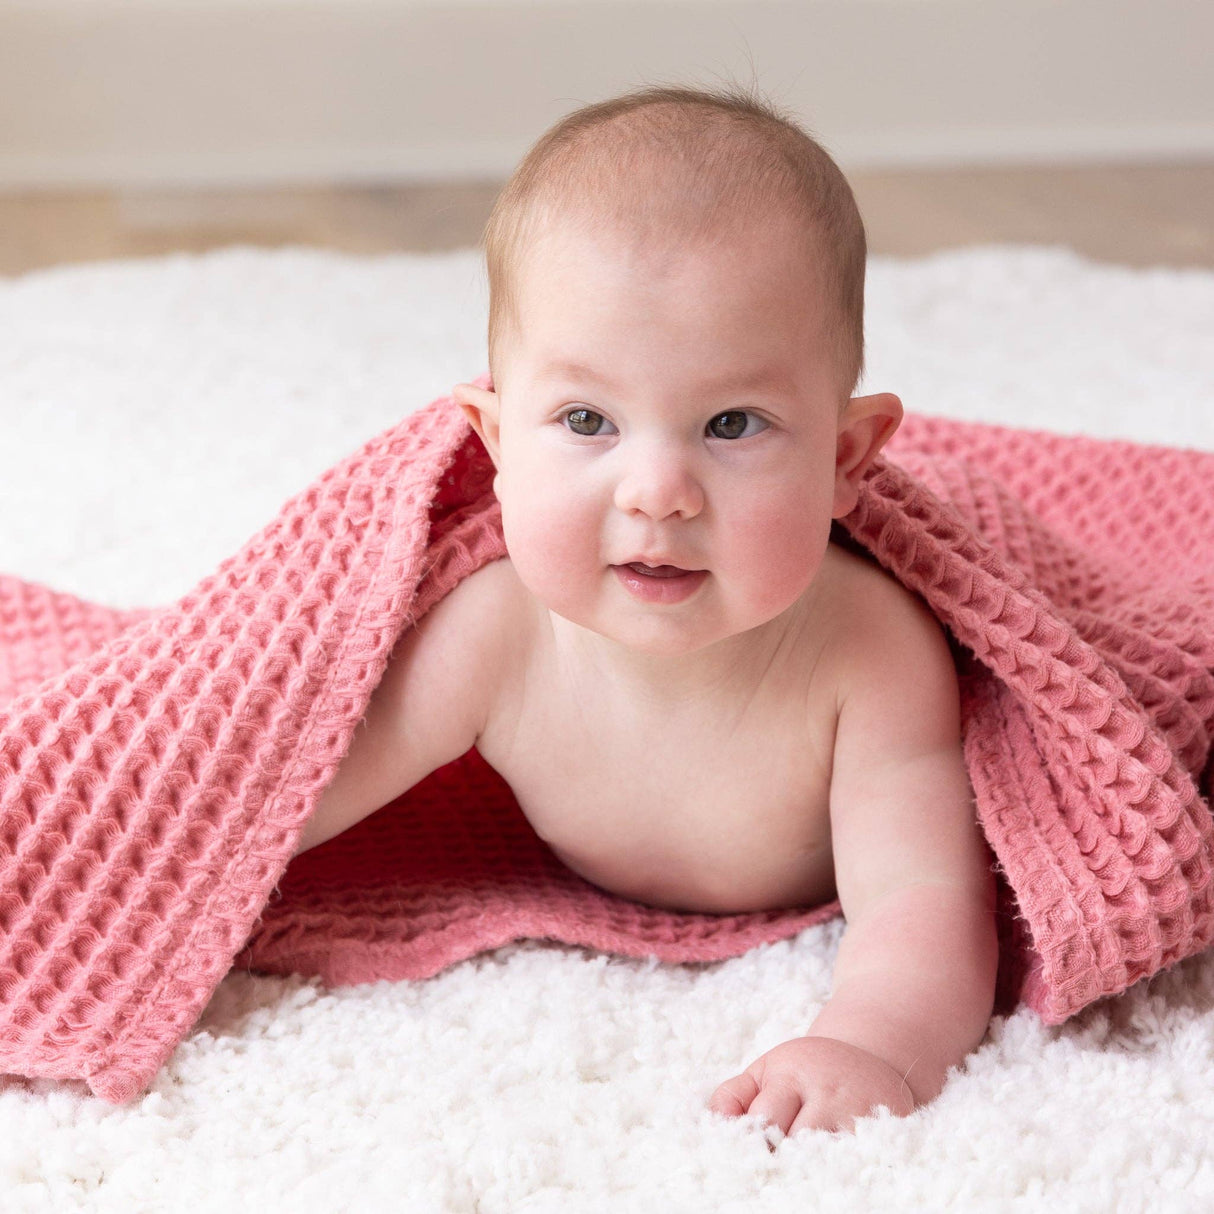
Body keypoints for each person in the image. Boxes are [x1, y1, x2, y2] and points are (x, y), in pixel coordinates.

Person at [293, 82, 998, 1137]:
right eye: (586, 418)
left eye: (730, 421)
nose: (657, 488)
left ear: (845, 457)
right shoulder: (496, 633)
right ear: (493, 445)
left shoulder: (868, 652)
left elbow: (921, 901)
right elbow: (285, 785)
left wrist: (870, 1040)